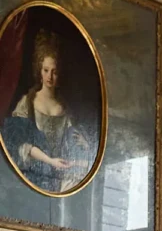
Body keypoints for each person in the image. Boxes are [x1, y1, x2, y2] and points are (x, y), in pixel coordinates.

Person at [3, 30, 94, 193]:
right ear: (39, 70)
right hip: (32, 175)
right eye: (46, 70)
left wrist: (86, 144)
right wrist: (49, 161)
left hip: (60, 177)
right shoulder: (28, 103)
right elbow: (18, 144)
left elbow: (72, 144)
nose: (49, 76)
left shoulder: (65, 109)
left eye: (55, 71)